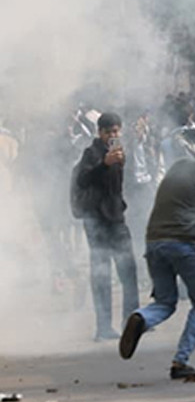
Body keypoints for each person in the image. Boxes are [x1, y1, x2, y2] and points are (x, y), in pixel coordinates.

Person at [119, 140, 195, 380]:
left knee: (165, 301)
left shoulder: (180, 164)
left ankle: (141, 317)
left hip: (153, 241)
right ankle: (180, 361)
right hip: (184, 242)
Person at [73, 112, 139, 341]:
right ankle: (103, 327)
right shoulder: (90, 153)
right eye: (108, 131)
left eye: (116, 131)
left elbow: (120, 186)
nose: (113, 135)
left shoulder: (120, 153)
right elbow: (83, 179)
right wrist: (104, 164)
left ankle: (132, 320)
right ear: (100, 132)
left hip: (116, 219)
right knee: (101, 274)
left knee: (128, 270)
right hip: (97, 221)